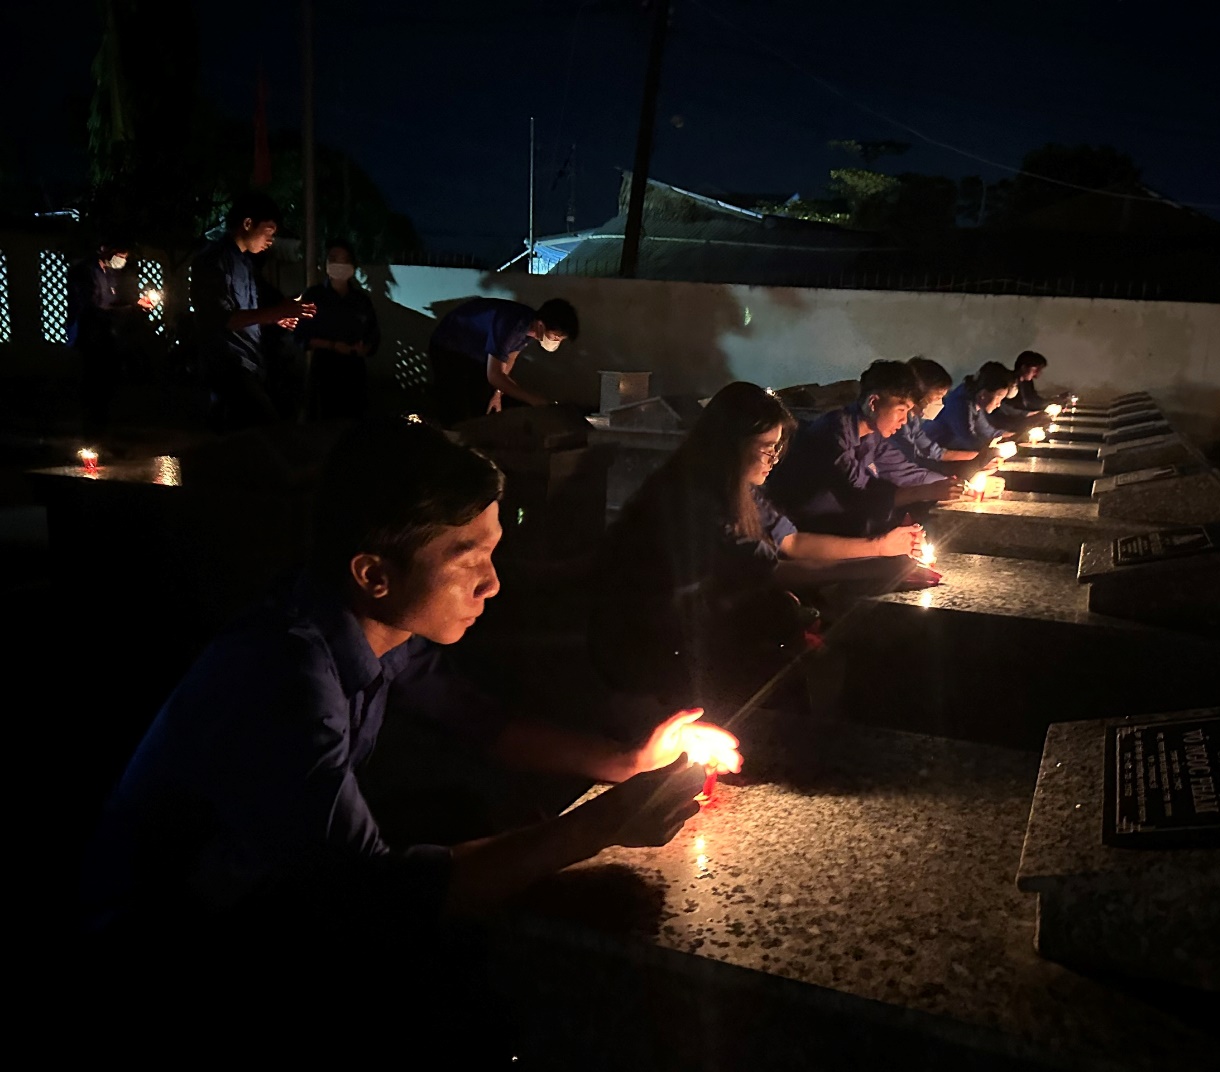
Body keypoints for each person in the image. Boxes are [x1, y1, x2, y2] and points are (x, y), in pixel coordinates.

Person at [81, 415, 737, 1042]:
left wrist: (629, 760)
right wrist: (601, 825)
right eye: (467, 557)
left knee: (470, 816)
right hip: (176, 941)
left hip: (270, 885)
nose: (493, 585)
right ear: (373, 572)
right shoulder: (285, 674)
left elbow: (484, 724)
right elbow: (376, 895)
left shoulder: (371, 628)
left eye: (493, 552)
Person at [591, 382, 928, 708]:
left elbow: (794, 543)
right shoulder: (693, 497)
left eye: (778, 448)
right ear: (730, 444)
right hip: (658, 646)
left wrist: (882, 547)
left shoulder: (741, 489)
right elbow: (774, 572)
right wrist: (877, 562)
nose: (774, 459)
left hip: (702, 627)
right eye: (767, 447)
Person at [765, 360, 958, 537]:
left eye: (908, 411)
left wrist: (951, 485)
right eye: (901, 410)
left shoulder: (872, 435)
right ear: (873, 403)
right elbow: (858, 497)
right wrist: (925, 492)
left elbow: (903, 470)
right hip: (799, 530)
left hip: (839, 522)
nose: (904, 419)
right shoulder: (833, 433)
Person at [189, 192, 315, 433]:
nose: (272, 239)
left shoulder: (246, 264)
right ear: (248, 224)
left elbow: (253, 310)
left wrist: (277, 315)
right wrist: (276, 312)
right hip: (227, 367)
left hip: (249, 364)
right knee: (262, 433)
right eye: (269, 230)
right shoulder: (212, 261)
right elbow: (222, 319)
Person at [428, 296, 579, 423]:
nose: (556, 342)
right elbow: (494, 375)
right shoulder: (513, 324)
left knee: (483, 401)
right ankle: (452, 442)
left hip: (475, 354)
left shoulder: (530, 330)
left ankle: (473, 442)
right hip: (448, 346)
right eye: (556, 337)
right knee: (456, 404)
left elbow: (508, 360)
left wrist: (497, 393)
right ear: (541, 325)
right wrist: (536, 401)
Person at [65, 239, 155, 438]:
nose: (122, 260)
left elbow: (112, 302)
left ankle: (102, 436)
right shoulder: (85, 272)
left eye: (124, 257)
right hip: (89, 337)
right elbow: (93, 309)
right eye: (120, 255)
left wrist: (136, 302)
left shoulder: (109, 273)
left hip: (106, 337)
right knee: (92, 388)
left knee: (106, 388)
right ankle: (91, 438)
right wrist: (131, 309)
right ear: (105, 249)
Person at [296, 238, 380, 421]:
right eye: (334, 258)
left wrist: (365, 348)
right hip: (324, 371)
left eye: (345, 260)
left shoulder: (361, 300)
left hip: (354, 372)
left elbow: (374, 336)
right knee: (322, 424)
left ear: (353, 265)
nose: (339, 264)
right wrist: (332, 345)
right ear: (325, 263)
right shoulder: (314, 296)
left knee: (352, 427)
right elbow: (301, 336)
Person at [876, 356, 987, 486]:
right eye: (938, 397)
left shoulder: (913, 419)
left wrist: (978, 458)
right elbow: (911, 462)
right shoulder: (895, 424)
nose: (940, 403)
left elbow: (931, 451)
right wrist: (958, 482)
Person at [927, 361, 1018, 459]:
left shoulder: (974, 401)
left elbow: (985, 429)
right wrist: (994, 450)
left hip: (949, 452)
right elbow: (969, 440)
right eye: (998, 398)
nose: (999, 404)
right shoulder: (960, 403)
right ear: (983, 394)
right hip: (933, 455)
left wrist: (1010, 436)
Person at [997, 350, 1070, 428]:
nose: (1037, 374)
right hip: (1009, 425)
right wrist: (1033, 414)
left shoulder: (1027, 382)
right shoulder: (1008, 383)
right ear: (1024, 367)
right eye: (1036, 370)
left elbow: (1034, 400)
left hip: (1022, 422)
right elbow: (1006, 408)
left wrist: (1052, 401)